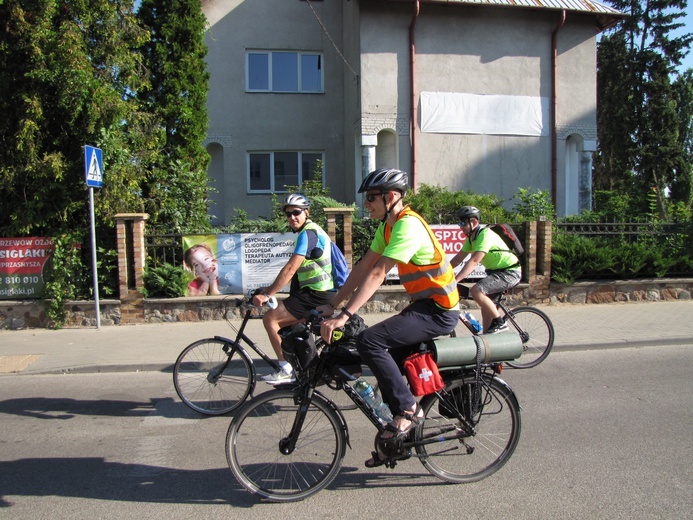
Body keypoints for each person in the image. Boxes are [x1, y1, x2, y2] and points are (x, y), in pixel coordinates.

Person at [318, 168, 460, 465]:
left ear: (391, 196)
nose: (366, 204)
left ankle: (408, 411)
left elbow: (379, 274)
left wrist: (344, 315)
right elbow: (362, 268)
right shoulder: (388, 227)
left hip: (440, 311)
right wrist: (333, 304)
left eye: (371, 197)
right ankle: (400, 437)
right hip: (425, 306)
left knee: (370, 341)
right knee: (387, 358)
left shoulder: (408, 226)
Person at [252, 193, 336, 383]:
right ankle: (303, 372)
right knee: (289, 326)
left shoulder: (308, 233)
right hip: (317, 294)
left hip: (315, 294)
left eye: (296, 213)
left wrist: (267, 294)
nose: (292, 218)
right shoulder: (314, 231)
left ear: (307, 212)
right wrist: (268, 288)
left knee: (270, 319)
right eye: (288, 214)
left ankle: (286, 369)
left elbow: (290, 269)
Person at [450, 206, 522, 334]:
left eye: (463, 222)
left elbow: (474, 261)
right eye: (459, 223)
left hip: (509, 272)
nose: (460, 226)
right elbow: (457, 259)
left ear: (475, 222)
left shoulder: (485, 234)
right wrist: (440, 272)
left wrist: (455, 279)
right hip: (495, 273)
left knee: (476, 290)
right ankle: (488, 341)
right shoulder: (471, 238)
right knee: (486, 307)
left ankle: (500, 322)